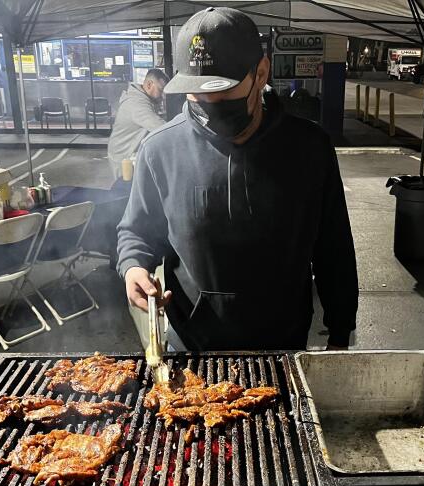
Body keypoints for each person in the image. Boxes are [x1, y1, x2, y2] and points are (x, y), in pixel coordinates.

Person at [117, 7, 358, 351]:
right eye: (197, 93)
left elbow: (334, 247)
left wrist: (340, 332)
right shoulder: (160, 149)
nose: (210, 103)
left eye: (223, 90)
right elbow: (136, 231)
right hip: (192, 345)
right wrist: (132, 267)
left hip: (284, 340)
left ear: (260, 73)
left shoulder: (309, 148)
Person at [107, 68, 168, 180]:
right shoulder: (137, 103)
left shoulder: (143, 97)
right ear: (149, 84)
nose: (162, 96)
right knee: (126, 192)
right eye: (161, 90)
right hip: (123, 157)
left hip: (129, 153)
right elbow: (160, 127)